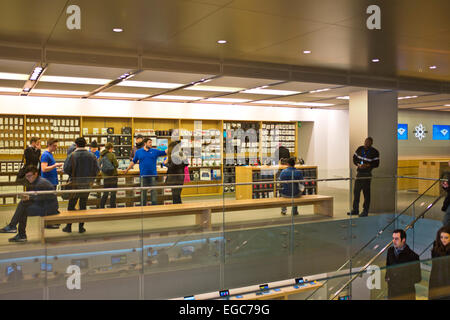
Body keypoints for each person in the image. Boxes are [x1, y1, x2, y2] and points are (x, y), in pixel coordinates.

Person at [0, 166, 59, 242]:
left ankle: (17, 231)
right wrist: (29, 197)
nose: (28, 178)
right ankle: (16, 230)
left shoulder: (41, 183)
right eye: (26, 176)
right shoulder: (36, 181)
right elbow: (38, 196)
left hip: (50, 209)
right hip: (44, 205)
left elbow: (44, 198)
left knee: (23, 210)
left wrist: (30, 198)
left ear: (36, 174)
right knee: (23, 204)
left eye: (29, 176)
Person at [62, 137, 99, 234]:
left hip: (74, 184)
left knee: (71, 205)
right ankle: (81, 227)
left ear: (76, 145)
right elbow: (97, 169)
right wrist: (91, 179)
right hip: (87, 184)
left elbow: (66, 169)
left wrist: (72, 174)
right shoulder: (92, 156)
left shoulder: (72, 155)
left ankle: (68, 226)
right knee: (83, 205)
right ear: (86, 144)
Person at [124, 138, 166, 206]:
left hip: (153, 175)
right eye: (149, 142)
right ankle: (143, 207)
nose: (151, 144)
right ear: (145, 143)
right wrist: (127, 169)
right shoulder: (138, 152)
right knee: (143, 192)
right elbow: (133, 161)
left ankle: (154, 207)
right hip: (143, 176)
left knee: (154, 192)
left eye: (151, 143)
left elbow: (164, 152)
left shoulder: (154, 151)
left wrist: (173, 147)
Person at [385, 229, 421, 300]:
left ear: (403, 240)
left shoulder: (413, 256)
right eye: (393, 238)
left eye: (397, 239)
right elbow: (388, 266)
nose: (394, 241)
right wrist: (387, 277)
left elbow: (417, 278)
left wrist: (401, 283)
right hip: (392, 292)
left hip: (406, 294)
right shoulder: (390, 251)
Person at [348, 137, 379, 217]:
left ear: (371, 143)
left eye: (368, 142)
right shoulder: (359, 149)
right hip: (359, 173)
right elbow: (354, 158)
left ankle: (365, 211)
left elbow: (376, 164)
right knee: (356, 192)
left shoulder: (375, 152)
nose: (366, 143)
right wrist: (358, 164)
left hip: (367, 174)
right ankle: (355, 210)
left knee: (366, 193)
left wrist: (367, 165)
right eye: (366, 142)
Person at [428, 225, 450, 300]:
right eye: (441, 237)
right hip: (436, 281)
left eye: (446, 237)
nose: (443, 240)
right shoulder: (436, 249)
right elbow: (434, 268)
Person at [99, 142, 119, 208]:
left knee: (105, 192)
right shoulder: (112, 155)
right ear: (110, 148)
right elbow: (116, 165)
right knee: (113, 193)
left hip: (105, 177)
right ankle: (112, 206)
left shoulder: (101, 155)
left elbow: (99, 165)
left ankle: (102, 206)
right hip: (113, 176)